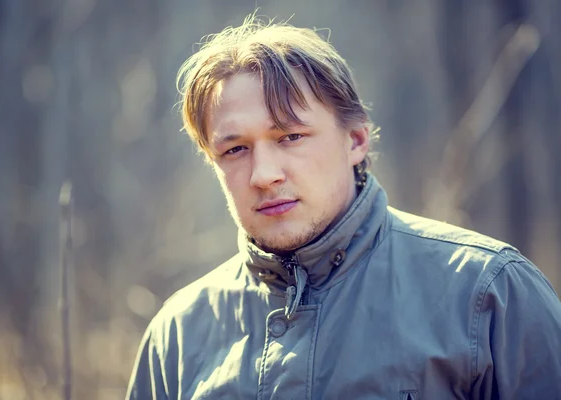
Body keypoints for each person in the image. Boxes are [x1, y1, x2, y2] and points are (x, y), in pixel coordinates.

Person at [126, 14, 561, 399]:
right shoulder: (178, 335)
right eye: (235, 149)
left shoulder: (487, 294)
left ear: (355, 140)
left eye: (290, 137)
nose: (263, 174)